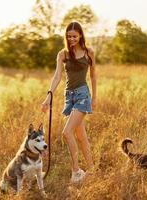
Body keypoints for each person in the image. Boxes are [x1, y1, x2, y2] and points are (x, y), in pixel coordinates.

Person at [41, 21, 96, 183]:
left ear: (80, 36)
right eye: (69, 36)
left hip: (83, 95)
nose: (71, 38)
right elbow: (57, 76)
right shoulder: (63, 54)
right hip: (69, 97)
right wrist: (48, 96)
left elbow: (93, 75)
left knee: (67, 132)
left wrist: (95, 97)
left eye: (74, 36)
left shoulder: (89, 52)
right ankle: (92, 170)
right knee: (81, 136)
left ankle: (76, 171)